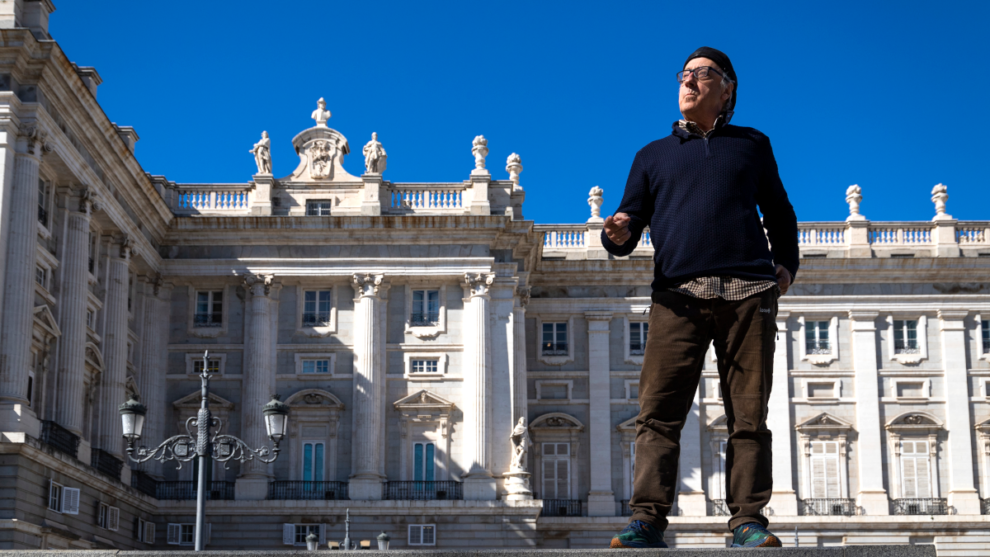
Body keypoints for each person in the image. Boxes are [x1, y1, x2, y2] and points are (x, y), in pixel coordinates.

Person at [605, 47, 798, 549]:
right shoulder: (652, 154)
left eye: (701, 74)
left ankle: (748, 520)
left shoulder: (752, 145)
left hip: (748, 293)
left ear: (726, 88)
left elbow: (779, 210)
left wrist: (787, 264)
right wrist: (619, 232)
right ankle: (647, 518)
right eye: (684, 74)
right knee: (658, 413)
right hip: (677, 297)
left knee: (748, 416)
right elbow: (628, 222)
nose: (688, 81)